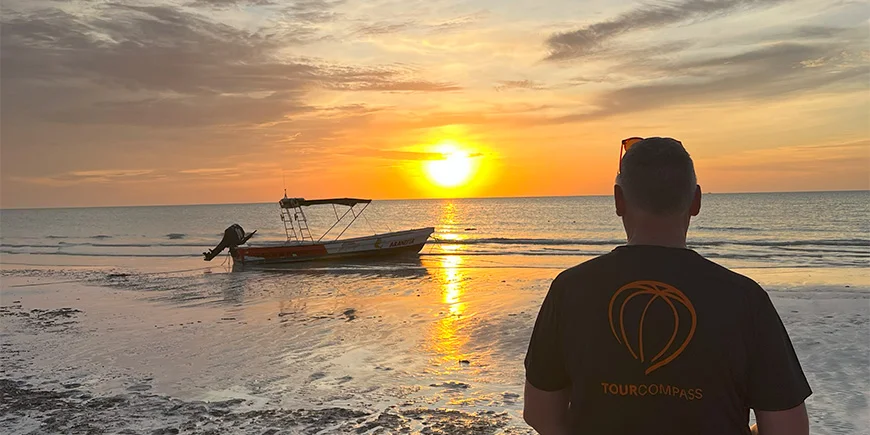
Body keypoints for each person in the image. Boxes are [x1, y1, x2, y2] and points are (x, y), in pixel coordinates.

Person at [523, 137, 811, 435]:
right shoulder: (745, 298)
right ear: (696, 200)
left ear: (618, 200)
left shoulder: (570, 289)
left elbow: (540, 413)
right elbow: (788, 428)